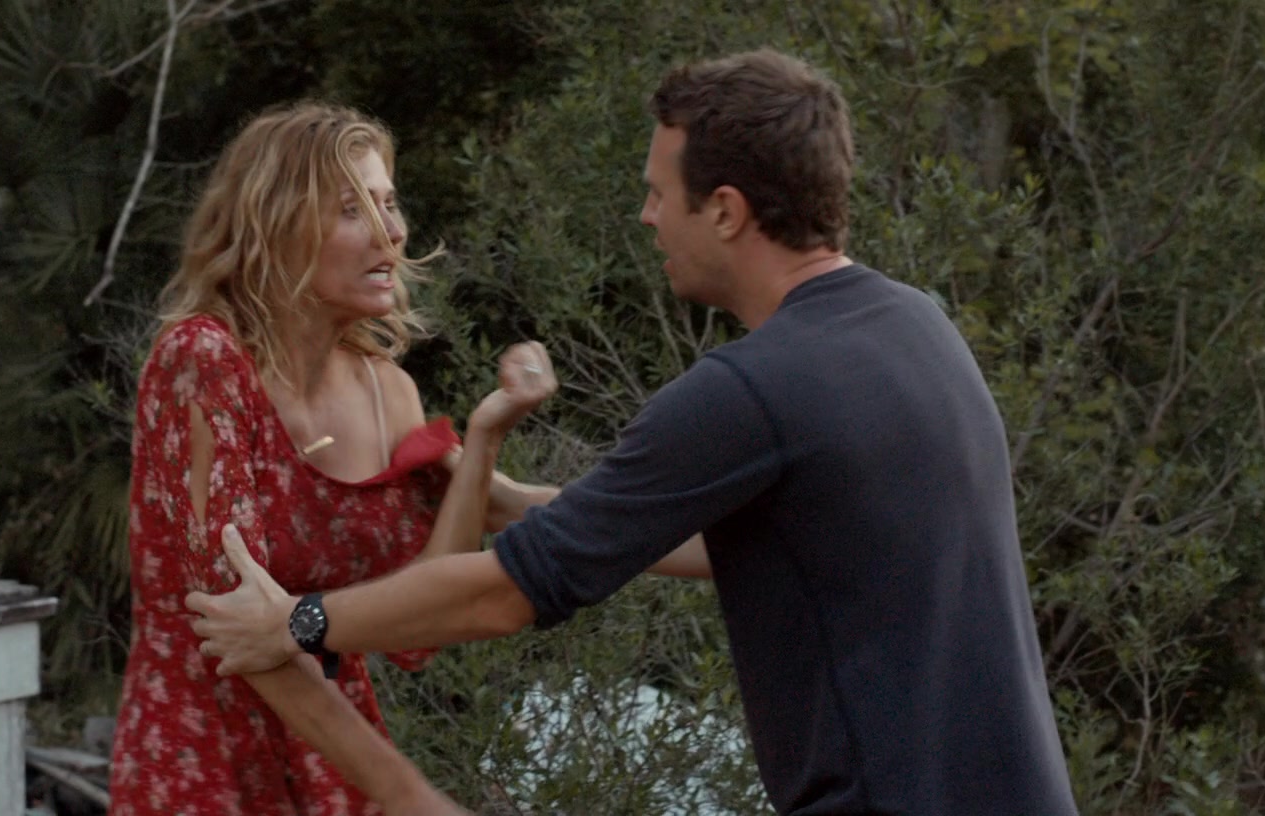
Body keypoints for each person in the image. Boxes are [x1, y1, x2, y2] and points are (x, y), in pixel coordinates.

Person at [188, 51, 1080, 815]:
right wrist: (514, 501)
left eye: (659, 193)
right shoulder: (913, 326)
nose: (649, 216)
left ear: (725, 209)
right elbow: (760, 537)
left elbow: (507, 596)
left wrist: (300, 622)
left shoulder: (749, 390)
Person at [108, 101, 556, 816]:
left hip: (336, 760)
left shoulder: (387, 390)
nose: (393, 231)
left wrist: (484, 439)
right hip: (204, 761)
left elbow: (422, 624)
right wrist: (411, 796)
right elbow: (236, 630)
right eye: (354, 209)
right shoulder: (203, 359)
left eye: (389, 203)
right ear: (276, 227)